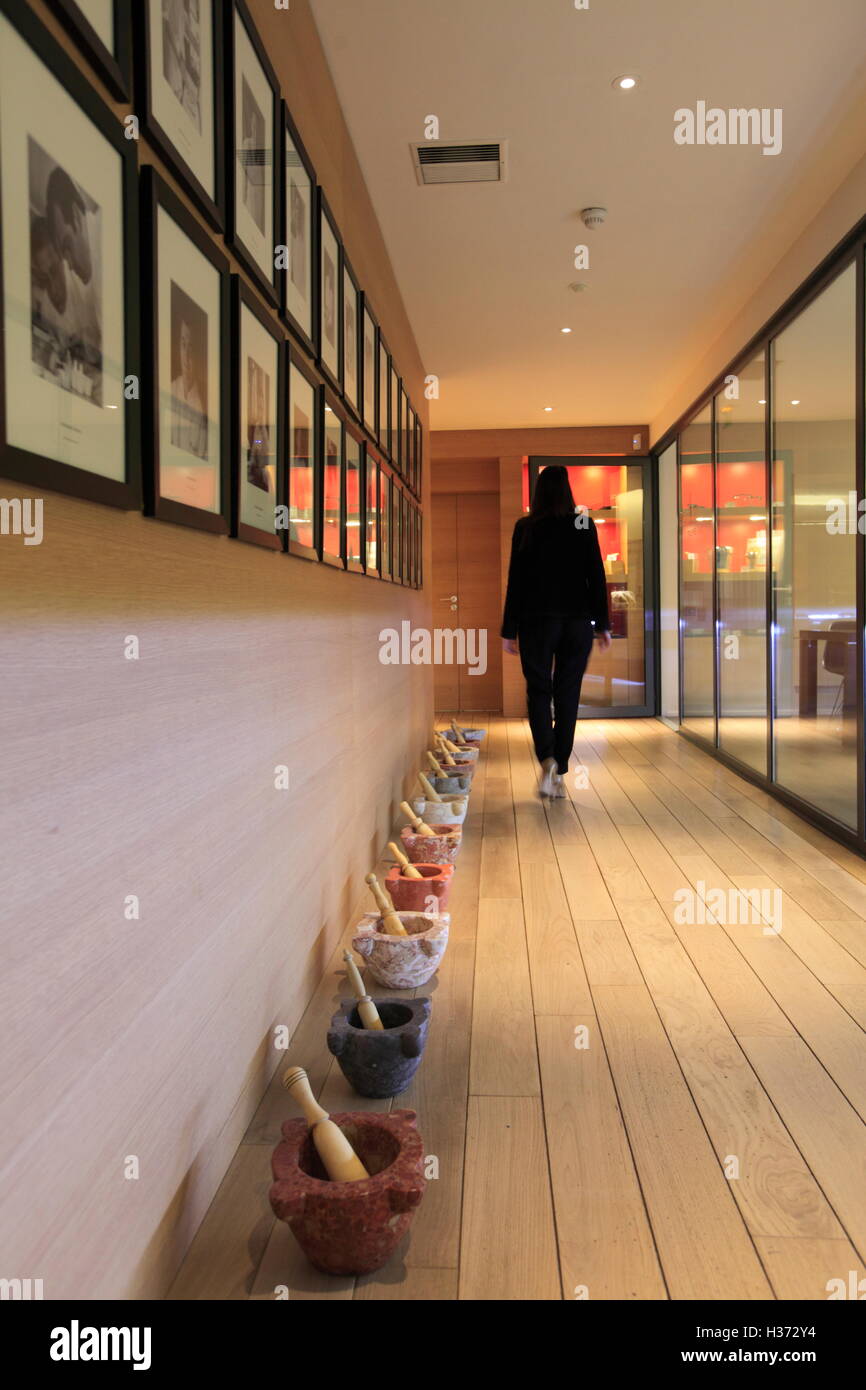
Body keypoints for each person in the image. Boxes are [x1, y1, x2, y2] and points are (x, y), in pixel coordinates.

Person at [501, 465, 612, 797]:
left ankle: (547, 758)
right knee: (568, 693)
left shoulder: (526, 527)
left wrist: (509, 629)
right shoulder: (583, 523)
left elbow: (516, 582)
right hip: (577, 623)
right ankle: (560, 768)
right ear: (567, 490)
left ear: (537, 492)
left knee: (539, 691)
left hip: (536, 622)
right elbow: (596, 574)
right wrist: (603, 624)